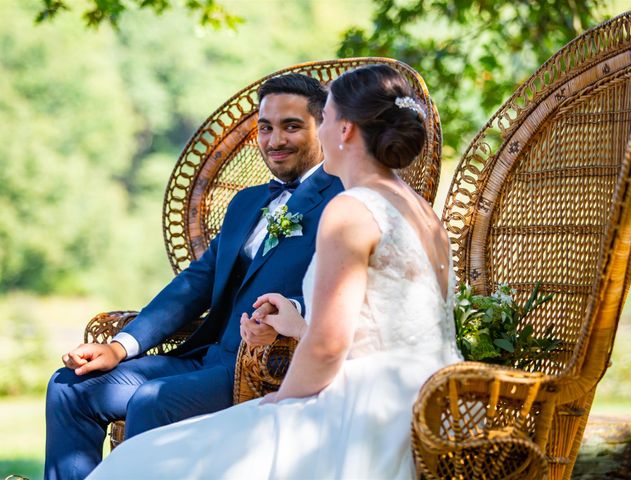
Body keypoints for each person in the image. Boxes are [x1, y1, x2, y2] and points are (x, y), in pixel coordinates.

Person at [88, 64, 463, 480]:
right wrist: (297, 322)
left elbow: (329, 345)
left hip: (361, 408)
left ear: (345, 131)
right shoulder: (422, 214)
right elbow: (380, 329)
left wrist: (285, 398)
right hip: (430, 401)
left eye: (327, 120)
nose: (320, 134)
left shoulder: (349, 210)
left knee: (141, 461)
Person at [44, 73, 343, 480]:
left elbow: (347, 291)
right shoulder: (246, 202)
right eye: (266, 127)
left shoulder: (343, 201)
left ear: (321, 129)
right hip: (203, 358)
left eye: (292, 126)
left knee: (152, 400)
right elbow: (194, 285)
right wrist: (119, 347)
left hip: (265, 369)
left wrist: (294, 315)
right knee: (69, 387)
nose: (275, 141)